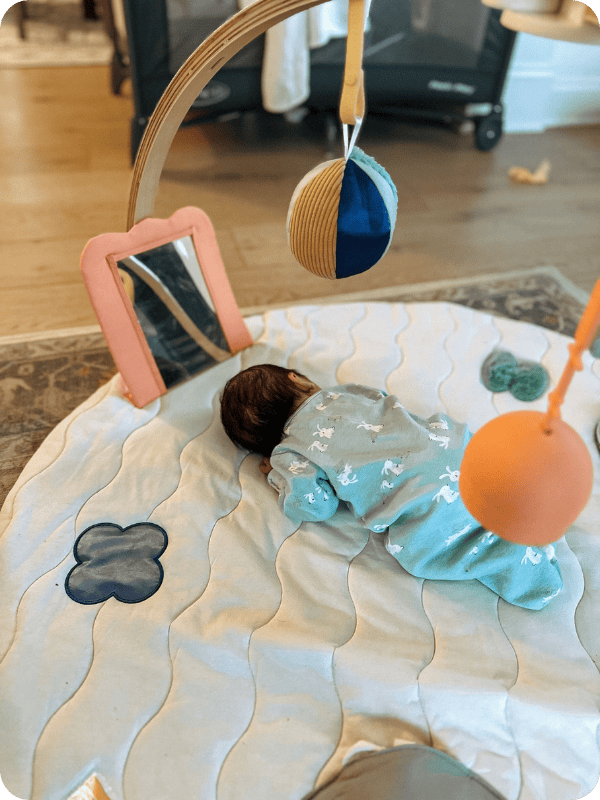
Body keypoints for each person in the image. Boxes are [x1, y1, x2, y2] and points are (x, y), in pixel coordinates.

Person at [220, 364, 562, 610]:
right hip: (451, 447)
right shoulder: (344, 392)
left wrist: (276, 475)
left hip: (418, 495)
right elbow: (386, 403)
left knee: (442, 538)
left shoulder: (289, 453)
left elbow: (314, 505)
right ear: (297, 379)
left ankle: (528, 570)